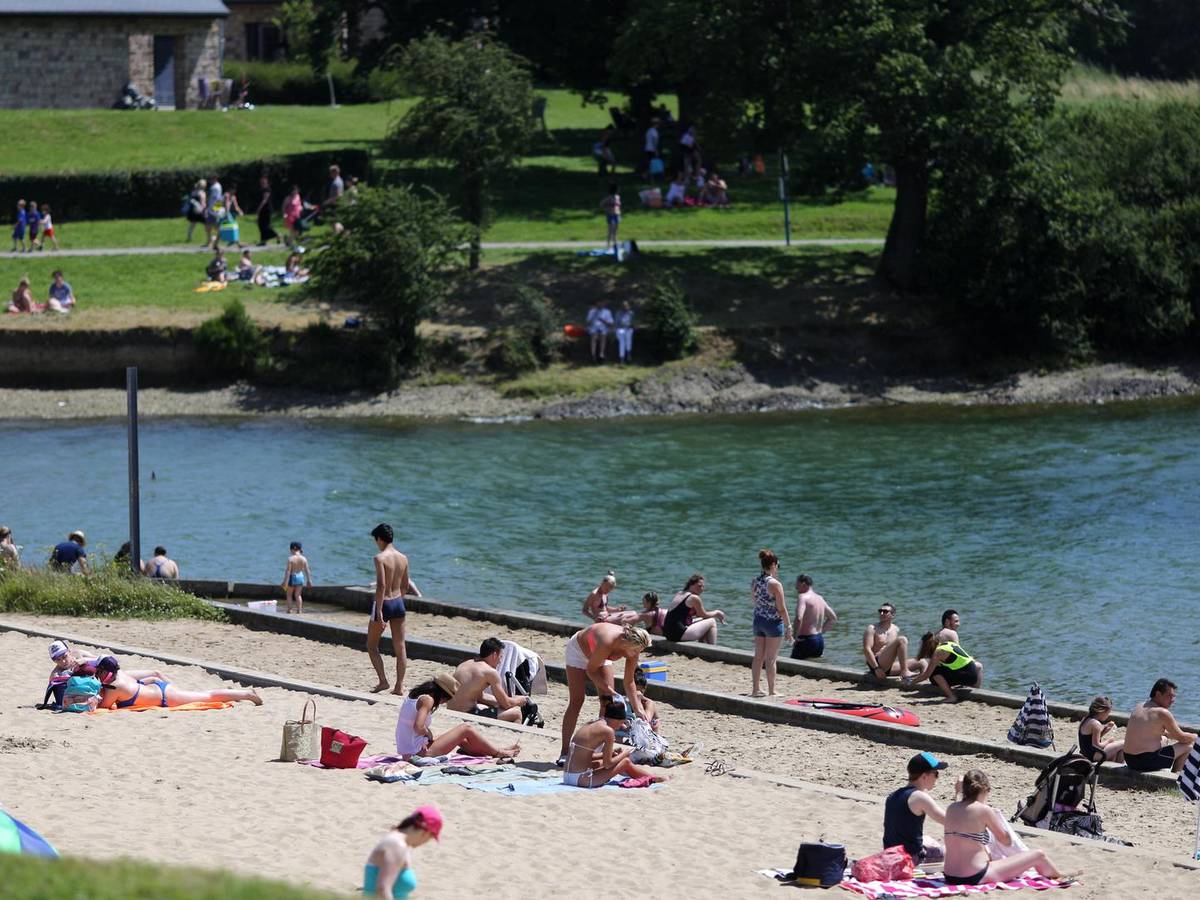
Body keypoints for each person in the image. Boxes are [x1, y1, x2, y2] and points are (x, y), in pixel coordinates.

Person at [942, 769, 1069, 885]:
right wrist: (995, 817)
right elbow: (1006, 841)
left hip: (949, 875)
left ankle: (1057, 874)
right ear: (985, 790)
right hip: (975, 875)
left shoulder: (951, 808)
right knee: (1038, 855)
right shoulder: (984, 811)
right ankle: (1059, 876)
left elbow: (963, 809)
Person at [558, 622, 652, 763]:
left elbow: (629, 681)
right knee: (577, 701)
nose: (637, 654)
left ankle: (600, 751)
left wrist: (638, 709)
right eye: (636, 650)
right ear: (626, 644)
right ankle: (565, 751)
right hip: (579, 651)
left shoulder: (634, 648)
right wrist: (610, 690)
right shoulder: (608, 641)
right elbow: (591, 671)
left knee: (606, 703)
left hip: (601, 657)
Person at [393, 674, 519, 760]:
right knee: (466, 728)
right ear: (441, 694)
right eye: (446, 699)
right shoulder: (428, 700)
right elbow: (418, 727)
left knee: (462, 739)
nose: (444, 702)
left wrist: (426, 735)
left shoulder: (414, 696)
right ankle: (498, 753)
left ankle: (496, 750)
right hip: (417, 752)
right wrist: (428, 733)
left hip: (408, 750)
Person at [562, 698, 667, 788]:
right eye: (622, 723)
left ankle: (650, 776)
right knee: (625, 762)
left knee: (600, 763)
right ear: (617, 720)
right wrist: (624, 754)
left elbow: (586, 756)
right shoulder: (607, 731)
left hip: (567, 776)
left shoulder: (590, 724)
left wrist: (610, 753)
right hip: (581, 779)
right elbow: (609, 764)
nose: (622, 727)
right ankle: (652, 777)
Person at [368, 523, 421, 695]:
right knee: (401, 647)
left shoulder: (380, 558)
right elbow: (406, 585)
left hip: (384, 604)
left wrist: (379, 613)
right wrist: (398, 600)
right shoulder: (403, 558)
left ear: (379, 539)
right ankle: (399, 686)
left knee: (372, 645)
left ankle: (383, 681)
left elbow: (381, 586)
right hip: (398, 603)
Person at [95, 655, 261, 709]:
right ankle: (234, 694)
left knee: (207, 696)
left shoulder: (114, 687)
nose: (97, 674)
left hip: (165, 697)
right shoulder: (120, 674)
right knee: (204, 695)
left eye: (98, 672)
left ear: (104, 671)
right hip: (156, 687)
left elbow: (103, 707)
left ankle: (247, 694)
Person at [447, 637, 540, 725]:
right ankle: (514, 740)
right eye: (500, 657)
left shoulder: (465, 664)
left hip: (451, 709)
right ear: (494, 655)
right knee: (516, 713)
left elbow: (480, 696)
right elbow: (507, 704)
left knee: (492, 706)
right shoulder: (490, 672)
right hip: (466, 713)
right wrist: (519, 700)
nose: (500, 661)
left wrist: (498, 701)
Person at [883, 752, 952, 863]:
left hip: (890, 855)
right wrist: (960, 793)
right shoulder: (920, 797)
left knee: (928, 839)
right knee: (953, 851)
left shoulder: (893, 795)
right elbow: (951, 821)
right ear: (924, 776)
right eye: (936, 774)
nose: (937, 778)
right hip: (909, 859)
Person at [363, 806, 441, 899]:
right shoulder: (397, 845)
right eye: (430, 838)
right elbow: (382, 889)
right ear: (426, 832)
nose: (426, 842)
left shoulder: (397, 840)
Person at [1123, 678, 1197, 773]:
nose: (1172, 700)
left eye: (1173, 696)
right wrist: (1196, 736)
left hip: (1129, 759)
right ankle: (1173, 778)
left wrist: (1168, 734)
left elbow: (1154, 731)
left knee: (1164, 739)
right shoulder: (1162, 713)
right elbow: (1182, 738)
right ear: (1158, 694)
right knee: (1188, 746)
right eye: (1169, 696)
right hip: (1144, 762)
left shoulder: (1139, 706)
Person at [750, 549, 792, 697]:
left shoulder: (756, 581)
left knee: (758, 656)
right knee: (771, 658)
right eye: (778, 565)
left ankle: (755, 689)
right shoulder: (775, 584)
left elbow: (754, 600)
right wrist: (788, 626)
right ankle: (772, 690)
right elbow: (781, 608)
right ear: (773, 565)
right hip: (773, 623)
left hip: (758, 620)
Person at [911, 632, 983, 701]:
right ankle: (975, 690)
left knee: (934, 673)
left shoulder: (938, 652)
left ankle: (951, 696)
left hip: (968, 677)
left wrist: (910, 683)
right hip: (973, 674)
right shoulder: (948, 644)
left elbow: (926, 675)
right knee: (939, 670)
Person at [863, 602, 920, 681]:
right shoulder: (872, 628)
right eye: (880, 611)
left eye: (885, 612)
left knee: (922, 661)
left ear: (893, 615)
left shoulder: (896, 629)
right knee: (902, 639)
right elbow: (867, 650)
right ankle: (905, 672)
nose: (882, 613)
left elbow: (895, 652)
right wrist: (876, 668)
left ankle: (923, 680)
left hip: (889, 666)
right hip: (876, 664)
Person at [663, 573, 726, 644]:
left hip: (668, 633)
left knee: (703, 621)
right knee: (712, 621)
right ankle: (713, 649)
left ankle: (703, 646)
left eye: (703, 586)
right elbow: (703, 614)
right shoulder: (694, 598)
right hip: (677, 634)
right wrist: (717, 613)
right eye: (699, 586)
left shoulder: (680, 593)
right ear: (691, 585)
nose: (702, 589)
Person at [790, 574, 836, 659]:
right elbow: (832, 618)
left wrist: (794, 637)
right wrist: (821, 632)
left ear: (803, 584)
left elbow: (799, 618)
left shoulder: (803, 597)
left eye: (797, 584)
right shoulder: (820, 598)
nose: (795, 587)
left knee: (792, 667)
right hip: (819, 640)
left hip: (806, 640)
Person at [1078, 696, 1125, 765]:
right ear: (1102, 712)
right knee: (1125, 743)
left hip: (1087, 754)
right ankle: (1120, 771)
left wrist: (1104, 730)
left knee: (1120, 750)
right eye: (1108, 713)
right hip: (1094, 756)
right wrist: (1108, 741)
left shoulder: (1086, 719)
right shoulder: (1096, 724)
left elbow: (1089, 740)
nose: (1108, 716)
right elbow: (1096, 746)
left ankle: (1117, 767)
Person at [280, 541, 312, 614]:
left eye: (290, 549)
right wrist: (309, 580)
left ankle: (289, 610)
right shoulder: (304, 558)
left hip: (292, 577)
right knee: (298, 595)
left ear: (293, 549)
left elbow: (288, 571)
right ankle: (299, 610)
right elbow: (307, 570)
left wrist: (285, 582)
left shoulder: (290, 559)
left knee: (289, 594)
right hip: (300, 577)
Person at [586, 298, 614, 363]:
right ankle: (593, 355)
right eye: (598, 303)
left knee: (603, 336)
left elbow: (610, 324)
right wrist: (593, 316)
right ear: (596, 304)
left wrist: (603, 320)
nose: (599, 304)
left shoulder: (607, 312)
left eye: (601, 303)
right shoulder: (592, 311)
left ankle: (601, 354)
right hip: (594, 328)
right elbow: (588, 323)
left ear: (603, 304)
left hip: (603, 328)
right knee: (594, 337)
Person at [255, 175, 280, 246]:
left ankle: (276, 235)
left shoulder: (267, 189)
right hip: (263, 210)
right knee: (261, 225)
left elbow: (264, 200)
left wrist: (258, 209)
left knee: (265, 226)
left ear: (266, 181)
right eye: (261, 181)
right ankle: (263, 241)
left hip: (266, 210)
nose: (262, 182)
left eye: (263, 181)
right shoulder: (261, 189)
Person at [599, 183, 621, 252]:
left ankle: (615, 246)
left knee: (615, 232)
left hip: (617, 215)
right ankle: (608, 246)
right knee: (610, 231)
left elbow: (618, 206)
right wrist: (606, 209)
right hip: (610, 215)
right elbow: (601, 204)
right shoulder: (609, 197)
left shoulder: (618, 197)